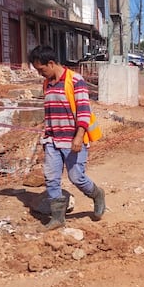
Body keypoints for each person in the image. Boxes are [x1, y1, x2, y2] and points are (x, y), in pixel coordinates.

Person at [28, 45, 106, 230]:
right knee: (51, 178)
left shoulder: (75, 81)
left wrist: (79, 137)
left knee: (76, 177)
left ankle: (97, 194)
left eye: (42, 69)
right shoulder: (47, 83)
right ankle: (57, 218)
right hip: (53, 140)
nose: (40, 74)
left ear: (52, 63)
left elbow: (84, 112)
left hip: (72, 140)